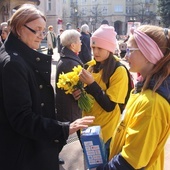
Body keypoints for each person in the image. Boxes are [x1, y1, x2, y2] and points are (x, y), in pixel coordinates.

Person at [0, 4, 94, 170]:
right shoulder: (14, 63)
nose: (40, 36)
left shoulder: (17, 54)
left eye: (43, 31)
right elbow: (22, 119)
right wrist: (65, 128)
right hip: (25, 155)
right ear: (19, 28)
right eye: (36, 30)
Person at [96, 25, 170, 169]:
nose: (125, 55)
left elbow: (130, 162)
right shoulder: (142, 88)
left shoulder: (152, 105)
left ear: (148, 54)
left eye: (129, 50)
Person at [73, 24, 129, 156]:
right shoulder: (89, 66)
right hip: (87, 129)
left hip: (106, 132)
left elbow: (109, 106)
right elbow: (88, 98)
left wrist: (92, 84)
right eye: (93, 47)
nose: (95, 52)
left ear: (109, 49)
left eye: (100, 48)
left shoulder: (118, 70)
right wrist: (79, 96)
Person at [55, 29, 83, 146]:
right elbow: (74, 87)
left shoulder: (67, 58)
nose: (81, 43)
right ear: (72, 45)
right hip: (70, 106)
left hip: (67, 106)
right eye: (79, 41)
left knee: (68, 133)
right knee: (65, 134)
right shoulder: (70, 63)